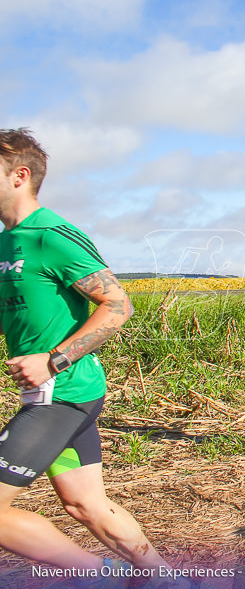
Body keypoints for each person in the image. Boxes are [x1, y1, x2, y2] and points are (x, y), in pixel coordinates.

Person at [0, 129, 172, 572]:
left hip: (63, 392)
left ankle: (99, 577)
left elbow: (118, 304)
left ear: (20, 175)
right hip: (50, 394)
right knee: (86, 504)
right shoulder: (7, 241)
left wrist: (53, 360)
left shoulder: (52, 235)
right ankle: (165, 580)